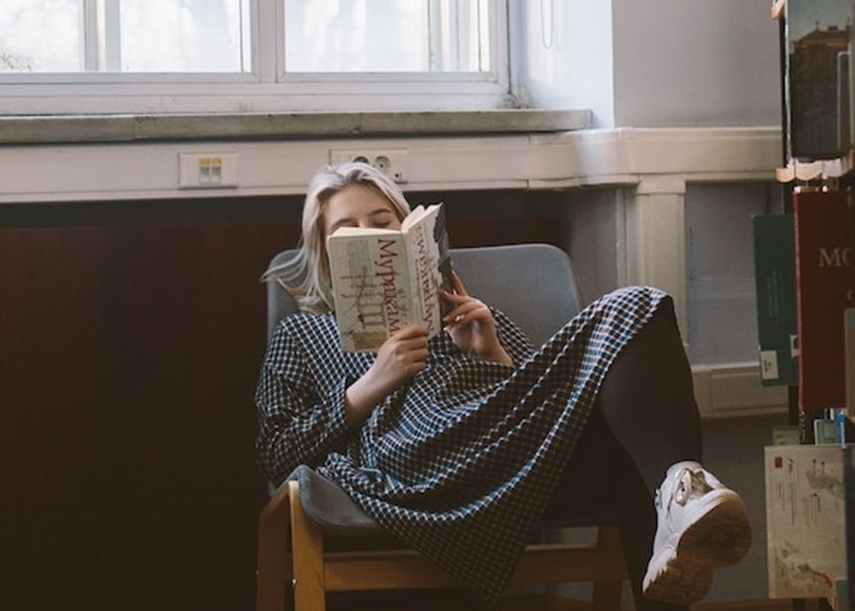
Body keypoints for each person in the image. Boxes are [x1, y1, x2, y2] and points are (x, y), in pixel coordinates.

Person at [255, 161, 752, 609]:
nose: (368, 233)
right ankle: (681, 493)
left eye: (382, 224)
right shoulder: (302, 334)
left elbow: (550, 403)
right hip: (418, 460)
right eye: (347, 230)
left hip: (511, 449)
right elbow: (276, 451)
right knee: (625, 416)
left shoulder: (465, 311)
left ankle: (680, 492)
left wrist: (490, 351)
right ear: (325, 255)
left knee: (637, 305)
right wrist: (369, 387)